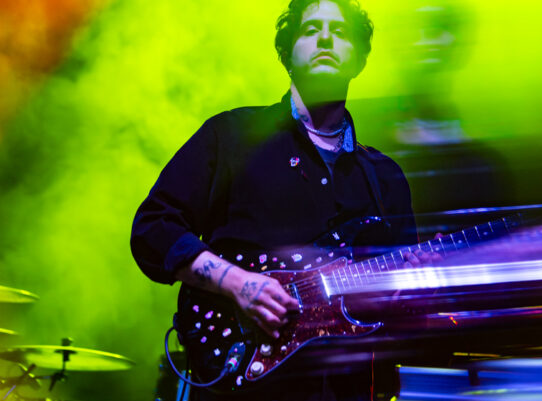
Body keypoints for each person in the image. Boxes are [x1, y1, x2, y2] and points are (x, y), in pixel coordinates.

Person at [131, 0, 433, 399]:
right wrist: (238, 284)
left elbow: (398, 314)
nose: (325, 38)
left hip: (345, 386)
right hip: (241, 377)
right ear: (287, 55)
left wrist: (408, 291)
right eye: (311, 30)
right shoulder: (232, 135)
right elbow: (153, 228)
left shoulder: (385, 177)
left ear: (359, 61)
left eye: (339, 32)